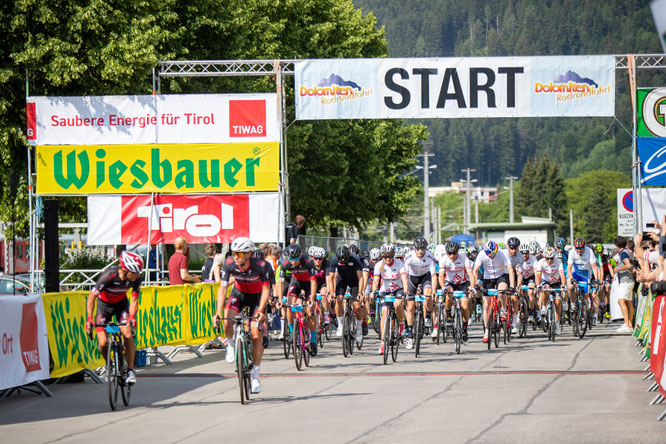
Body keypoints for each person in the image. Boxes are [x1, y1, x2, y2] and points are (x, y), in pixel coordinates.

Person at [213, 237, 270, 394]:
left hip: (257, 297)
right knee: (226, 320)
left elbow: (266, 290)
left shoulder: (262, 266)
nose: (236, 256)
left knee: (255, 331)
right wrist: (218, 312)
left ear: (249, 254)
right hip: (239, 294)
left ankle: (256, 376)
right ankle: (231, 346)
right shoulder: (230, 264)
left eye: (239, 253)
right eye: (234, 253)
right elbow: (223, 289)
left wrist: (261, 311)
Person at [86, 251, 144, 385]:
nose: (137, 276)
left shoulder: (136, 279)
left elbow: (135, 300)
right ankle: (109, 365)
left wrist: (132, 317)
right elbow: (91, 297)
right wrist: (89, 318)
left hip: (121, 305)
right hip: (104, 305)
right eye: (134, 273)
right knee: (102, 342)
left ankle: (130, 370)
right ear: (125, 269)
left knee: (128, 334)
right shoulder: (108, 276)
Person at [472, 240, 515, 344]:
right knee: (486, 304)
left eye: (493, 254)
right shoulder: (482, 254)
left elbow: (510, 270)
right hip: (488, 278)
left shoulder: (502, 254)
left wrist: (512, 286)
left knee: (501, 292)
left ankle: (503, 309)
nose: (491, 256)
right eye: (489, 254)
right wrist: (476, 284)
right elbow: (475, 270)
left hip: (501, 275)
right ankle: (486, 331)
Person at [372, 243, 409, 355]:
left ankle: (401, 323)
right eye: (385, 257)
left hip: (398, 289)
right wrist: (374, 291)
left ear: (393, 255)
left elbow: (404, 279)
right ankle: (383, 343)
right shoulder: (379, 265)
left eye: (390, 256)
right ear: (382, 256)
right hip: (385, 290)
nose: (388, 259)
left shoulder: (399, 263)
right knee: (384, 313)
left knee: (398, 304)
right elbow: (375, 281)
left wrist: (406, 292)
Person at [403, 236, 438, 350]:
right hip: (412, 278)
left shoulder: (430, 256)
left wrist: (434, 291)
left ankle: (427, 316)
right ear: (414, 248)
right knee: (410, 306)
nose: (420, 252)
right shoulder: (409, 256)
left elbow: (433, 275)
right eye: (418, 249)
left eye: (422, 250)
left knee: (428, 296)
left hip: (425, 277)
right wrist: (406, 290)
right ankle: (409, 333)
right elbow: (405, 275)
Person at [438, 241, 472, 345]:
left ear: (458, 252)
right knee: (449, 292)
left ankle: (465, 331)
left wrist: (473, 287)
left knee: (465, 306)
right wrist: (443, 287)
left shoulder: (464, 259)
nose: (452, 256)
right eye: (449, 253)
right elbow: (440, 275)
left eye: (454, 253)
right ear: (446, 253)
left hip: (463, 283)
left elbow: (470, 274)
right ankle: (448, 315)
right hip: (450, 282)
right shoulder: (443, 260)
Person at [330, 245, 365, 345]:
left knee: (357, 306)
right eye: (341, 262)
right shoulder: (334, 260)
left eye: (345, 261)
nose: (343, 263)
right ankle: (341, 324)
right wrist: (331, 292)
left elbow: (361, 278)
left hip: (354, 281)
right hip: (342, 280)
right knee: (338, 300)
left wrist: (361, 292)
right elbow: (331, 278)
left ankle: (358, 328)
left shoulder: (355, 259)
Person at [535, 246, 566, 335]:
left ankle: (557, 324)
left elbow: (562, 276)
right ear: (544, 257)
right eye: (547, 258)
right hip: (545, 281)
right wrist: (537, 285)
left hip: (556, 282)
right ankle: (544, 306)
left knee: (557, 302)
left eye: (551, 258)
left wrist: (563, 286)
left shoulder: (558, 262)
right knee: (546, 288)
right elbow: (537, 275)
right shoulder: (540, 262)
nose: (549, 260)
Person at [613, 236, 635, 333]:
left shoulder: (623, 254)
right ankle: (630, 323)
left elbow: (629, 265)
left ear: (617, 245)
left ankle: (627, 324)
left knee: (621, 301)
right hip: (630, 280)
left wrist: (618, 269)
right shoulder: (628, 251)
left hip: (626, 280)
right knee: (628, 302)